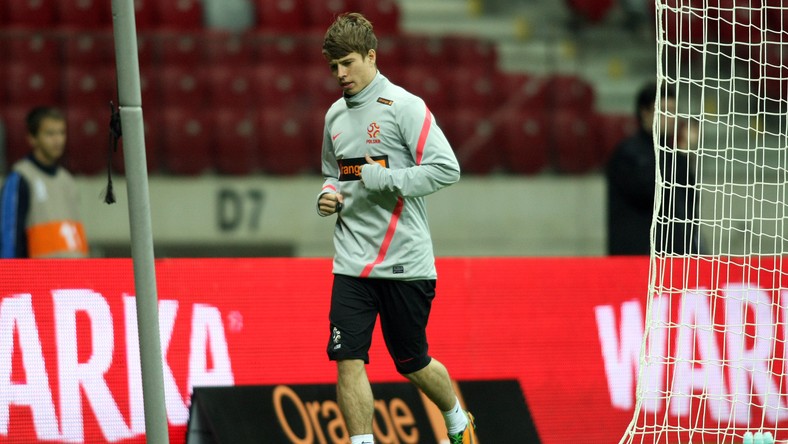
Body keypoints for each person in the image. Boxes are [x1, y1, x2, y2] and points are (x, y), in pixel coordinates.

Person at [315, 13, 476, 444]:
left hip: (404, 261)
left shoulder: (405, 106)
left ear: (371, 56)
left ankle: (456, 418)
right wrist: (328, 195)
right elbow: (333, 173)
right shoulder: (334, 116)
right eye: (333, 66)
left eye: (347, 63)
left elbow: (446, 169)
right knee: (347, 357)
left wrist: (386, 178)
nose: (340, 74)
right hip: (351, 263)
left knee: (411, 362)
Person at [0, 106, 88, 258]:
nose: (58, 140)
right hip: (40, 272)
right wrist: (9, 271)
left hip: (75, 271)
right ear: (32, 138)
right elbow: (9, 238)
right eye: (50, 133)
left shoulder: (67, 180)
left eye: (61, 132)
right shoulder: (21, 178)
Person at [606, 81, 676, 255]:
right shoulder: (627, 154)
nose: (671, 118)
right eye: (664, 111)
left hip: (669, 252)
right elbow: (650, 194)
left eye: (673, 112)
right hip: (635, 254)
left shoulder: (674, 155)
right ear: (645, 113)